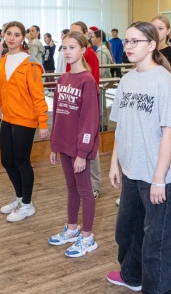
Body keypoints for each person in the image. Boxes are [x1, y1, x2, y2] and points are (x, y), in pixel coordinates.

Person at [107, 21, 171, 293]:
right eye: (126, 41)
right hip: (132, 169)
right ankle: (132, 275)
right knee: (127, 231)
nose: (128, 46)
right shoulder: (127, 80)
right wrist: (115, 163)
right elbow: (121, 126)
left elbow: (170, 133)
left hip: (157, 173)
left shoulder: (164, 81)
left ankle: (158, 289)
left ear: (151, 45)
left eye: (135, 41)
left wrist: (159, 179)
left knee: (157, 242)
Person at [0, 21, 49, 223]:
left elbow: (38, 96)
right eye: (9, 33)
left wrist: (43, 122)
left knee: (22, 162)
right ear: (4, 35)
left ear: (23, 38)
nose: (12, 38)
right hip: (8, 119)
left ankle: (27, 205)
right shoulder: (1, 63)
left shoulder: (31, 63)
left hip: (25, 119)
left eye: (16, 34)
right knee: (7, 161)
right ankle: (20, 198)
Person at [48, 31, 100, 258]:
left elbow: (90, 120)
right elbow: (58, 114)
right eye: (64, 48)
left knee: (85, 190)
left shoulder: (87, 80)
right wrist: (54, 145)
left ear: (83, 50)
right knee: (71, 188)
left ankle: (87, 238)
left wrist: (82, 153)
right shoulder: (62, 79)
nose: (67, 52)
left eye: (72, 47)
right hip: (64, 144)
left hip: (79, 148)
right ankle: (71, 230)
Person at [70, 21, 101, 199]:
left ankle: (94, 185)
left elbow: (93, 81)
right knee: (78, 146)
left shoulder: (90, 54)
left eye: (77, 32)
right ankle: (81, 182)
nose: (73, 36)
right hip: (74, 108)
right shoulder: (71, 54)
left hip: (87, 107)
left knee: (90, 146)